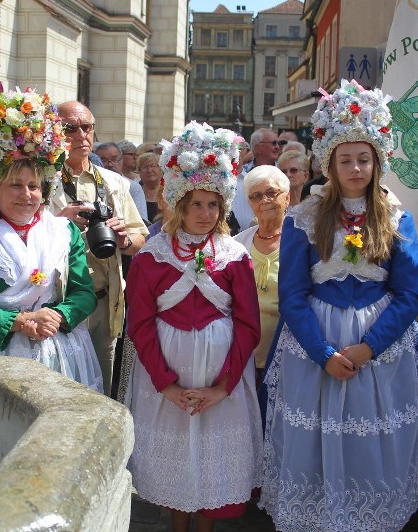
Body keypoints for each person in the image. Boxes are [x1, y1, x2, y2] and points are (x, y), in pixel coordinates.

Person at [259, 80, 418, 532]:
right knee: (316, 442)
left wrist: (369, 347)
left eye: (363, 159)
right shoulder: (304, 218)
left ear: (377, 161)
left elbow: (409, 295)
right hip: (315, 347)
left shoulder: (396, 218)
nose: (355, 167)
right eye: (346, 160)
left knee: (372, 446)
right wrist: (323, 352)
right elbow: (294, 295)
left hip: (379, 352)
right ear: (330, 164)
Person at [126, 121, 262, 532]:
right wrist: (165, 384)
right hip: (167, 373)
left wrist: (224, 386)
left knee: (212, 461)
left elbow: (248, 324)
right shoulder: (151, 258)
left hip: (221, 373)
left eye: (213, 205)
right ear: (178, 205)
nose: (205, 214)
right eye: (196, 205)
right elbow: (140, 325)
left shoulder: (235, 256)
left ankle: (206, 527)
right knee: (177, 459)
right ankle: (177, 525)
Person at [0, 87, 102, 391]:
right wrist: (19, 322)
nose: (26, 195)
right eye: (15, 185)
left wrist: (57, 314)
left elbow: (83, 293)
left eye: (34, 186)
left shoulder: (63, 231)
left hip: (56, 346)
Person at [48, 101, 147, 396]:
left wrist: (122, 239)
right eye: (70, 128)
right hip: (57, 301)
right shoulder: (42, 181)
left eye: (87, 127)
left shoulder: (115, 183)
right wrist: (59, 221)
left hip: (105, 301)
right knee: (59, 385)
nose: (80, 135)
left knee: (100, 388)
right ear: (55, 131)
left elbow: (140, 239)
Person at [233, 165, 290, 384]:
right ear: (250, 204)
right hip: (243, 355)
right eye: (256, 196)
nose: (264, 200)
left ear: (287, 198)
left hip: (286, 353)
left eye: (271, 193)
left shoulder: (301, 242)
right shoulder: (237, 244)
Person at [231, 128, 280, 232]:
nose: (277, 147)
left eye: (240, 148)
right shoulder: (213, 181)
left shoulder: (282, 173)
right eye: (273, 143)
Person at [95, 142, 148, 223]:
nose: (110, 164)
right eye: (103, 160)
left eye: (114, 159)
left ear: (121, 161)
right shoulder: (91, 184)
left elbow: (141, 221)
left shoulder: (133, 187)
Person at [137, 151, 162, 223]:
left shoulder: (169, 190)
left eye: (153, 166)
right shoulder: (136, 191)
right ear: (139, 171)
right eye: (145, 167)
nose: (149, 170)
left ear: (160, 168)